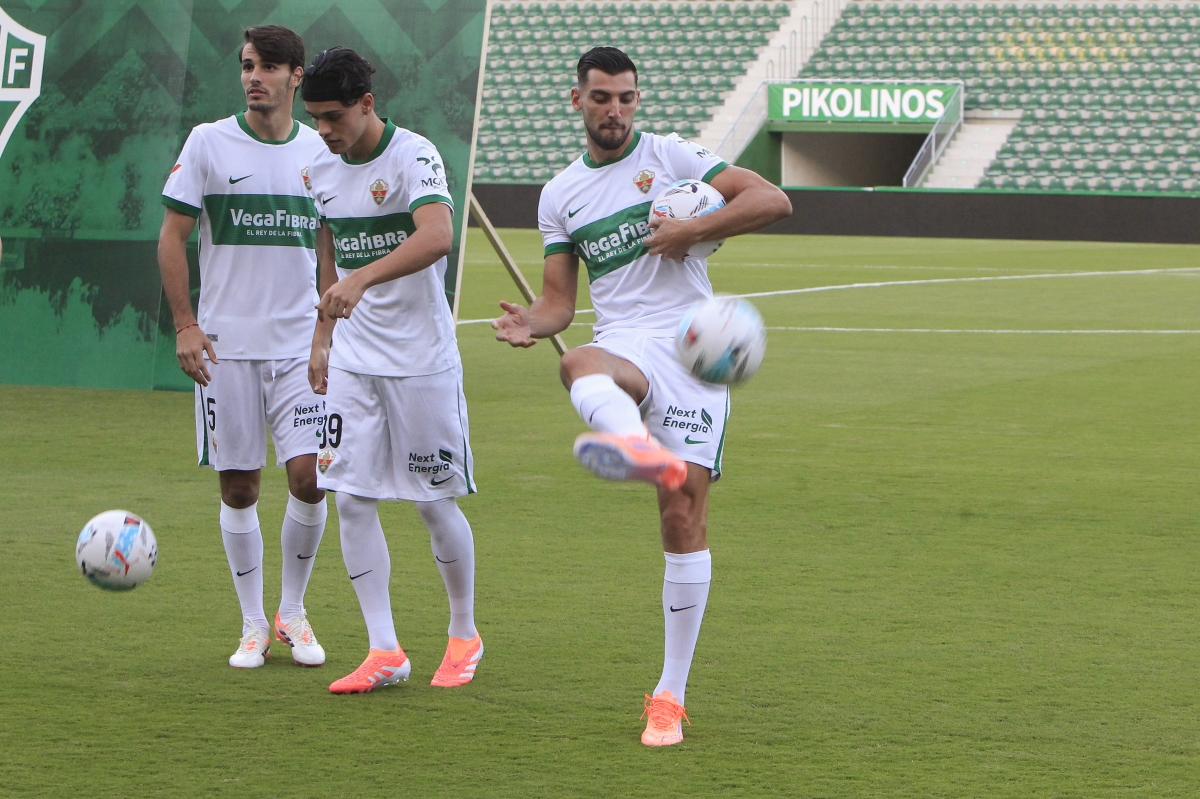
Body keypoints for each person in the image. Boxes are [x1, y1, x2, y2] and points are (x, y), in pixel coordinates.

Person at [493, 46, 791, 746]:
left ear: (637, 99)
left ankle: (670, 695)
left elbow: (772, 199)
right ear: (578, 101)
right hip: (625, 337)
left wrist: (693, 229)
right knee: (579, 364)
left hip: (693, 344)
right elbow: (560, 305)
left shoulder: (676, 156)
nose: (616, 110)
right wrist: (530, 323)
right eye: (601, 97)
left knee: (681, 515)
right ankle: (631, 446)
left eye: (627, 97)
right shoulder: (560, 194)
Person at [302, 47, 482, 694]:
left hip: (421, 361)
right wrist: (323, 334)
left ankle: (464, 632)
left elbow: (437, 236)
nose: (325, 128)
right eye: (316, 116)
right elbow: (328, 257)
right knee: (349, 496)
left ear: (367, 104)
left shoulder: (415, 154)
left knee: (435, 502)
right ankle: (385, 649)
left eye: (334, 115)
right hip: (353, 359)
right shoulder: (317, 169)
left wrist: (363, 279)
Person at [158, 25, 329, 670]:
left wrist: (324, 333)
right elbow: (172, 238)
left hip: (297, 351)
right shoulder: (207, 143)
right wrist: (185, 323)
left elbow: (328, 250)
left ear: (296, 77)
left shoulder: (320, 150)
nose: (254, 77)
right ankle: (252, 623)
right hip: (224, 350)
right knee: (239, 489)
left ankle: (293, 611)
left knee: (311, 479)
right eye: (248, 66)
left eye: (268, 67)